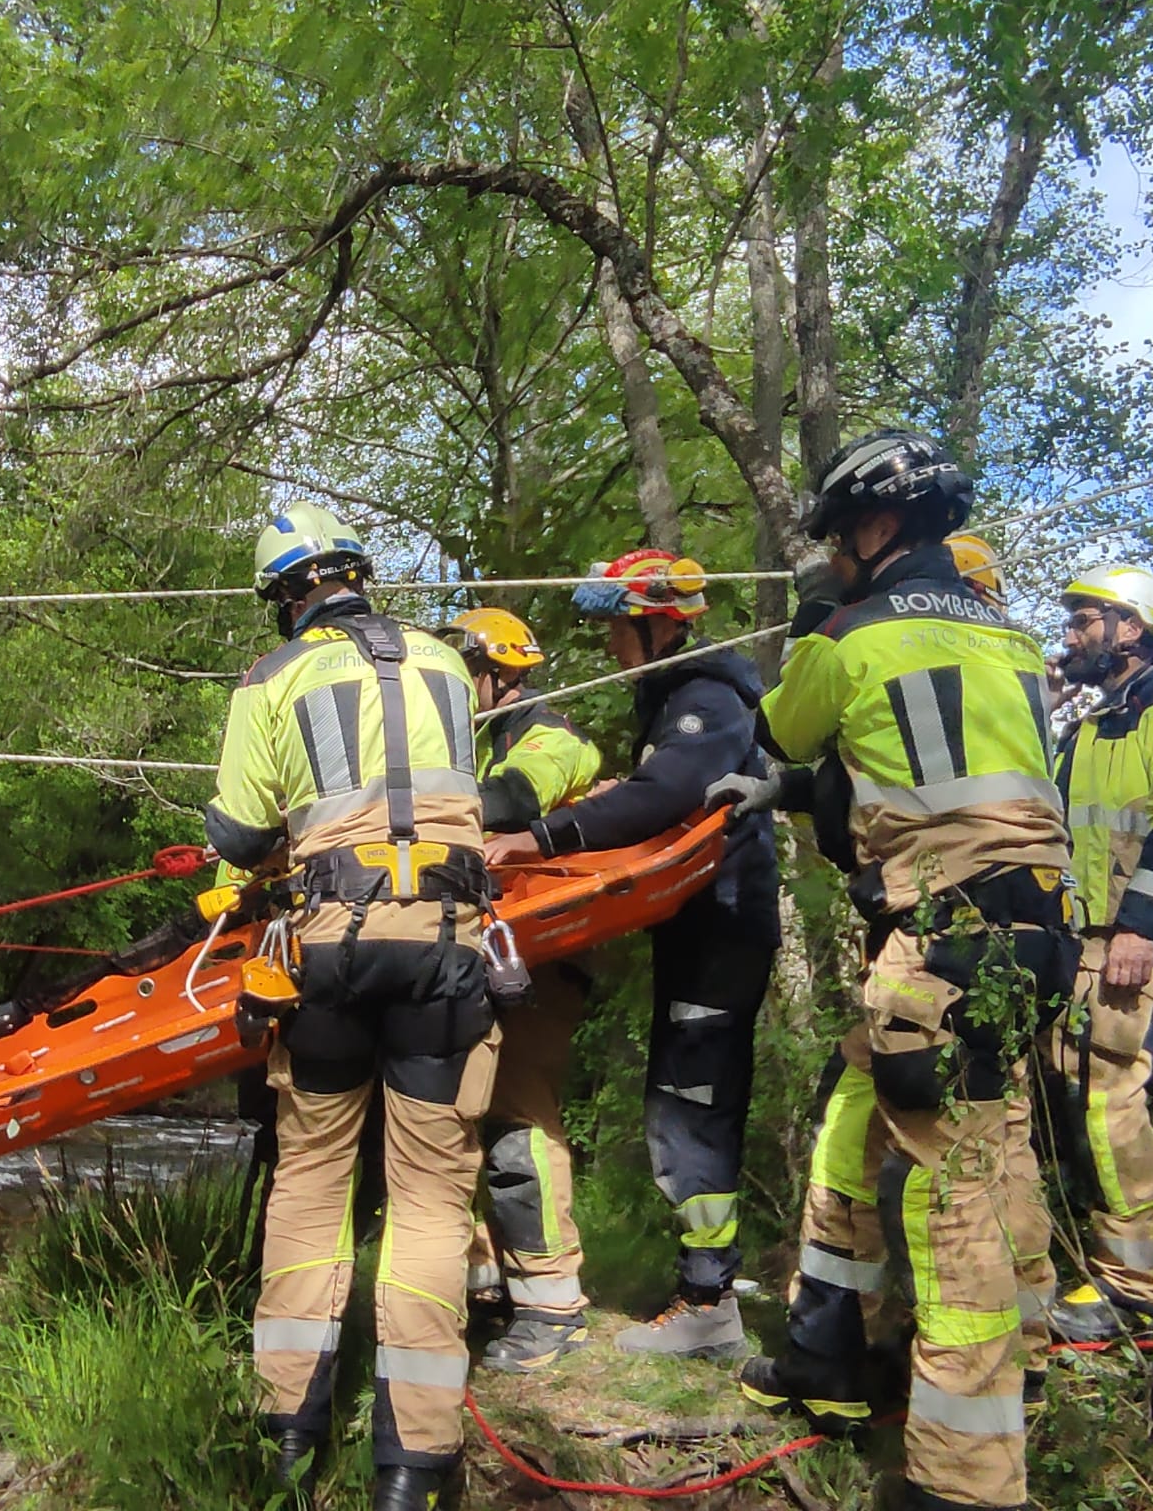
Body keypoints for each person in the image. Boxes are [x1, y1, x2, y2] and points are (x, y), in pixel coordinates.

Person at [731, 429, 1075, 1511]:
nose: (835, 554)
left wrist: (805, 629)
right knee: (872, 1122)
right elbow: (940, 771)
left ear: (874, 528)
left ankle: (963, 1476)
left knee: (957, 1195)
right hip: (1029, 937)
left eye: (839, 537)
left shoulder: (849, 636)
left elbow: (785, 728)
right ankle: (826, 1354)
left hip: (942, 941)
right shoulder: (1014, 643)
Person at [208, 502, 496, 1511]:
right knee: (425, 1199)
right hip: (446, 948)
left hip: (328, 947)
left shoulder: (271, 677)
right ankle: (414, 1470)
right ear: (356, 575)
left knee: (312, 1179)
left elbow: (243, 836)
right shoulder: (447, 664)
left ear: (288, 596)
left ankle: (286, 1439)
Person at [484, 550, 781, 1358]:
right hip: (701, 929)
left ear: (657, 624)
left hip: (724, 927)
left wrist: (541, 835)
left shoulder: (706, 698)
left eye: (619, 629)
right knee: (680, 1102)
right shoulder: (675, 698)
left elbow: (663, 796)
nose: (611, 647)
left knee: (690, 1108)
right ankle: (706, 1290)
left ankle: (710, 1303)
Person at [1027, 567, 1153, 1343]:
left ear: (1131, 629)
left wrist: (1142, 924)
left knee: (1111, 1094)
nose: (1071, 634)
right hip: (1085, 933)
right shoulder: (1094, 720)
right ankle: (1091, 1257)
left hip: (1129, 936)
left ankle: (1143, 1284)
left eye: (1084, 621)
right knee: (1072, 1088)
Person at [438, 608, 604, 1371]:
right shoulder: (471, 740)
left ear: (499, 672)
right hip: (479, 952)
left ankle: (550, 1298)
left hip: (533, 963)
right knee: (458, 1115)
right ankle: (484, 1282)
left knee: (516, 1119)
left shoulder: (552, 737)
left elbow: (508, 802)